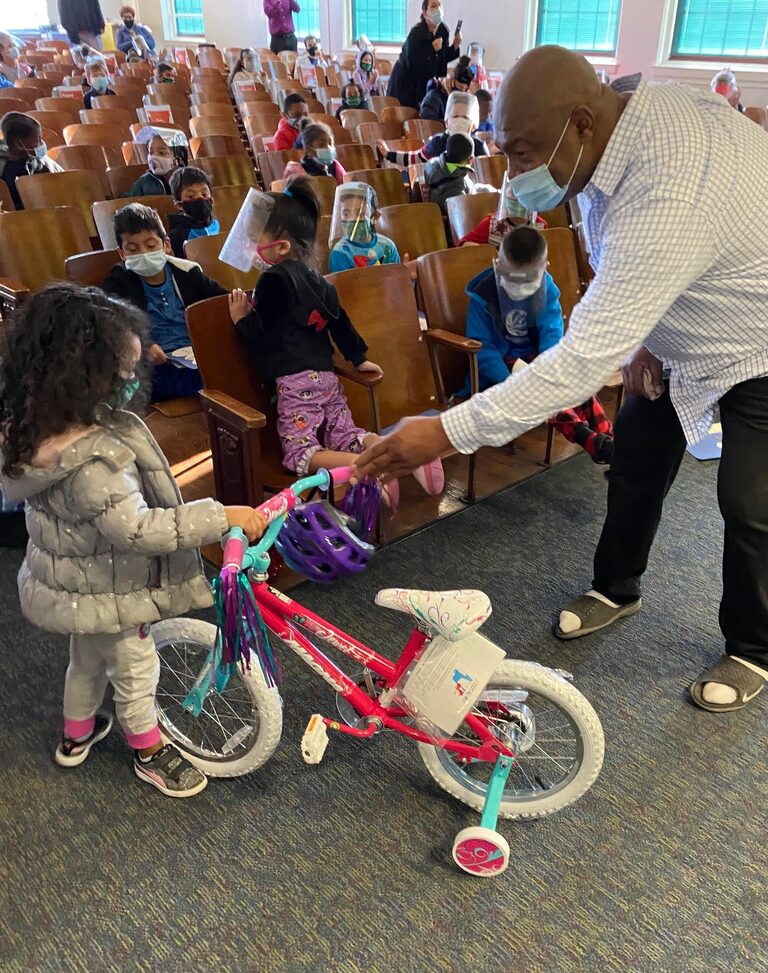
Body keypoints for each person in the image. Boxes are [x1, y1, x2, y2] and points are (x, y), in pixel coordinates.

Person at [354, 45, 768, 714]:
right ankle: (616, 587)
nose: (516, 177)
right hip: (698, 317)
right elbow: (632, 266)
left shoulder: (668, 181)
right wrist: (644, 338)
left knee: (749, 498)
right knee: (636, 457)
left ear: (582, 120)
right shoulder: (626, 127)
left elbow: (578, 363)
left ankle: (756, 647)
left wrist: (443, 433)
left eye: (523, 153)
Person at [0, 284, 267, 795]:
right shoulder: (92, 465)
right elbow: (139, 531)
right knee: (137, 669)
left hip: (78, 586)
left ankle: (76, 736)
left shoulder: (37, 428)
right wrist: (220, 515)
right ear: (82, 379)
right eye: (120, 373)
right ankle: (149, 750)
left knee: (86, 660)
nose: (130, 380)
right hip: (111, 590)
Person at [226, 182, 443, 499]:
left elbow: (266, 336)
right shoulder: (319, 280)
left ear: (281, 246)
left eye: (255, 237)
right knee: (346, 433)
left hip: (296, 381)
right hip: (326, 376)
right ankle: (401, 453)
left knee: (300, 452)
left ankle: (367, 467)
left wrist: (243, 319)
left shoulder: (273, 279)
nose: (248, 244)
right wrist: (358, 358)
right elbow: (341, 322)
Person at [464, 225, 613, 461]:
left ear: (544, 268)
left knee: (573, 382)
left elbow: (552, 336)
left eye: (528, 281)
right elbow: (484, 348)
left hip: (538, 360)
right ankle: (587, 437)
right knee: (543, 393)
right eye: (513, 279)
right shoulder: (483, 295)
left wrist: (549, 370)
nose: (519, 289)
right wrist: (511, 381)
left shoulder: (547, 289)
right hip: (504, 366)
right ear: (498, 264)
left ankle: (607, 437)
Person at [103, 203, 226, 401]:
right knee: (198, 382)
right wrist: (144, 346)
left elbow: (220, 301)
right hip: (157, 362)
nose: (143, 253)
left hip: (194, 354)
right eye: (133, 249)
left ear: (166, 245)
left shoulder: (187, 272)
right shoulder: (120, 280)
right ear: (122, 254)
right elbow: (108, 321)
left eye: (151, 246)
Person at [379, 90, 487, 168]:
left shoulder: (479, 147)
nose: (459, 120)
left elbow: (487, 171)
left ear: (474, 125)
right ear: (446, 121)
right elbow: (415, 158)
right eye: (455, 116)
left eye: (465, 117)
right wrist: (389, 154)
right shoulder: (438, 143)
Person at [387, 0, 462, 109]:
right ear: (425, 13)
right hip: (407, 84)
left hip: (427, 83)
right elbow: (413, 63)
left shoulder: (443, 30)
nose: (438, 9)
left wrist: (455, 45)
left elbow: (442, 58)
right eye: (433, 6)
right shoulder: (416, 33)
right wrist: (432, 49)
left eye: (439, 5)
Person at [457, 171, 548, 248]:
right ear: (505, 197)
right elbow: (464, 244)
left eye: (523, 195)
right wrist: (489, 253)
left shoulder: (540, 225)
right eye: (513, 194)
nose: (517, 198)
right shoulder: (491, 224)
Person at [329, 181, 400, 271]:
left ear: (375, 217)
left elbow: (396, 279)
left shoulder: (387, 246)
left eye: (361, 214)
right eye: (346, 214)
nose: (352, 220)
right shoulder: (340, 253)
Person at [0, 113, 63, 210]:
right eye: (37, 139)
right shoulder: (4, 171)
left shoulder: (43, 163)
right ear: (19, 144)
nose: (41, 144)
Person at [167, 166, 220, 258]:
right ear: (179, 205)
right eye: (191, 196)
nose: (200, 198)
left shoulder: (215, 223)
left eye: (204, 194)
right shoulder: (176, 236)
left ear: (211, 200)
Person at [423, 131, 475, 215]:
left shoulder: (433, 165)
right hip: (453, 220)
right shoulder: (458, 186)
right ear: (471, 159)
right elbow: (464, 214)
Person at [127, 126, 188, 197]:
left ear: (177, 158)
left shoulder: (190, 178)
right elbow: (130, 202)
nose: (153, 157)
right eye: (151, 152)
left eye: (161, 153)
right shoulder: (143, 182)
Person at [420, 56, 474, 121]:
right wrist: (450, 123)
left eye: (465, 90)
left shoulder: (461, 100)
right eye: (460, 87)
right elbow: (427, 122)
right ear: (452, 80)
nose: (462, 92)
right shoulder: (434, 97)